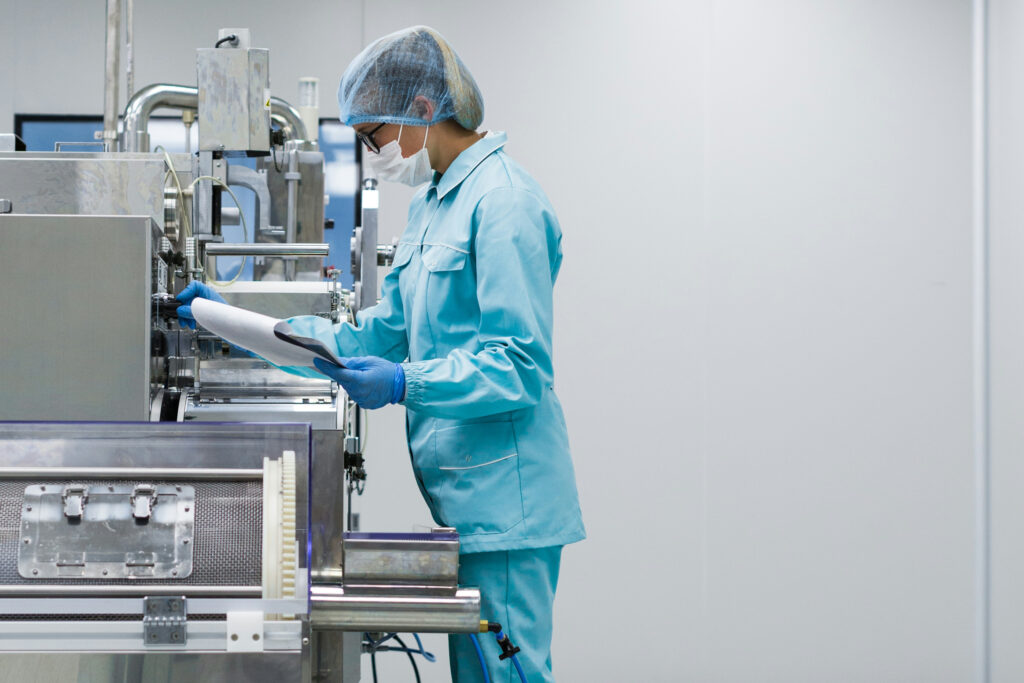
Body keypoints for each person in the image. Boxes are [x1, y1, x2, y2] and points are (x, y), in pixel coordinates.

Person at [178, 25, 584, 683]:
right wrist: (235, 322)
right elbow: (375, 331)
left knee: (507, 676)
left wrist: (404, 382)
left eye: (374, 137)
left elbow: (519, 366)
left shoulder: (504, 202)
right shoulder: (433, 205)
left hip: (510, 510)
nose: (373, 155)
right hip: (469, 501)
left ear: (424, 111)